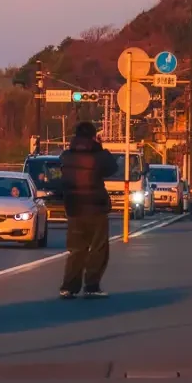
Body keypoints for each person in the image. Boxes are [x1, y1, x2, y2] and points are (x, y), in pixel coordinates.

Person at [57, 121, 118, 299]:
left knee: (76, 249)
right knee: (98, 248)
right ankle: (91, 285)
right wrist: (99, 146)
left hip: (74, 207)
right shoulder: (98, 156)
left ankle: (68, 287)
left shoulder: (66, 156)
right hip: (96, 208)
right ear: (93, 136)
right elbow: (112, 168)